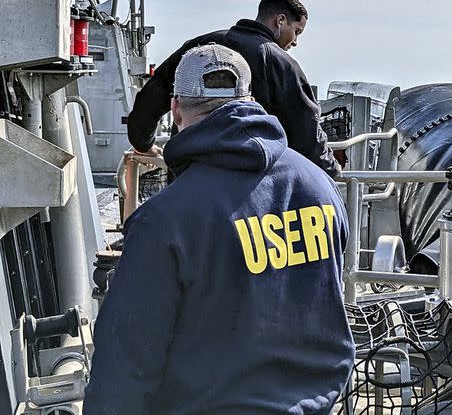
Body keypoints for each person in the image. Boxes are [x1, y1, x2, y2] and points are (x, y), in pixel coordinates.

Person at [84, 44, 354, 414]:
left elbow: (125, 367)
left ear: (176, 109)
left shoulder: (164, 221)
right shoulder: (321, 188)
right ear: (252, 100)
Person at [127, 0, 341, 177]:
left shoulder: (199, 47)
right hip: (249, 188)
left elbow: (154, 94)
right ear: (280, 21)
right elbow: (305, 130)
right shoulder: (282, 64)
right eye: (296, 32)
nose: (294, 41)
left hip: (189, 177)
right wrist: (331, 170)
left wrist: (142, 143)